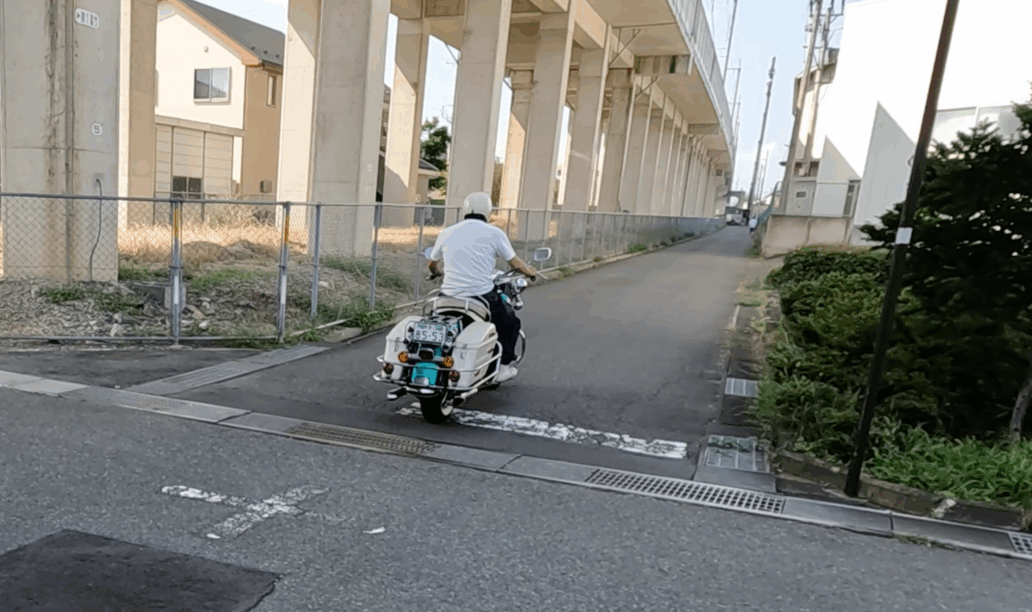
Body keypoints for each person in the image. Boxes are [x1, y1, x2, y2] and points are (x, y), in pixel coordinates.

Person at [427, 192, 538, 383]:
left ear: (465, 210)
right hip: (480, 297)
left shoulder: (447, 232)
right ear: (488, 212)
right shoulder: (495, 233)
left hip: (447, 296)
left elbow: (432, 264)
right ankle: (503, 367)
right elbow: (515, 262)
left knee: (435, 323)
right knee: (510, 323)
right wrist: (530, 272)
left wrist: (437, 272)